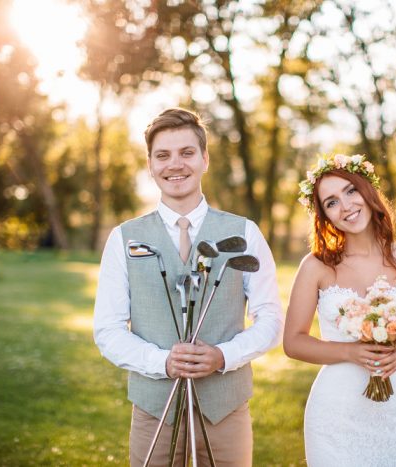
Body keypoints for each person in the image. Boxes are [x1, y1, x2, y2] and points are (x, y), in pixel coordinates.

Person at [93, 108, 283, 467]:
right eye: (162, 155)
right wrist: (162, 362)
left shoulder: (245, 233)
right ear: (150, 164)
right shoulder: (123, 238)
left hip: (225, 409)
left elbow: (271, 319)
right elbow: (108, 330)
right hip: (154, 410)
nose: (174, 164)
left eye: (186, 153)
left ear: (205, 158)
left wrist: (223, 356)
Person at [283, 153, 396, 466]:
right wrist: (351, 352)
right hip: (336, 410)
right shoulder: (316, 266)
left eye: (350, 191)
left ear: (368, 190)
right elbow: (293, 342)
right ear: (324, 215)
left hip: (395, 407)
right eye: (331, 202)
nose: (346, 205)